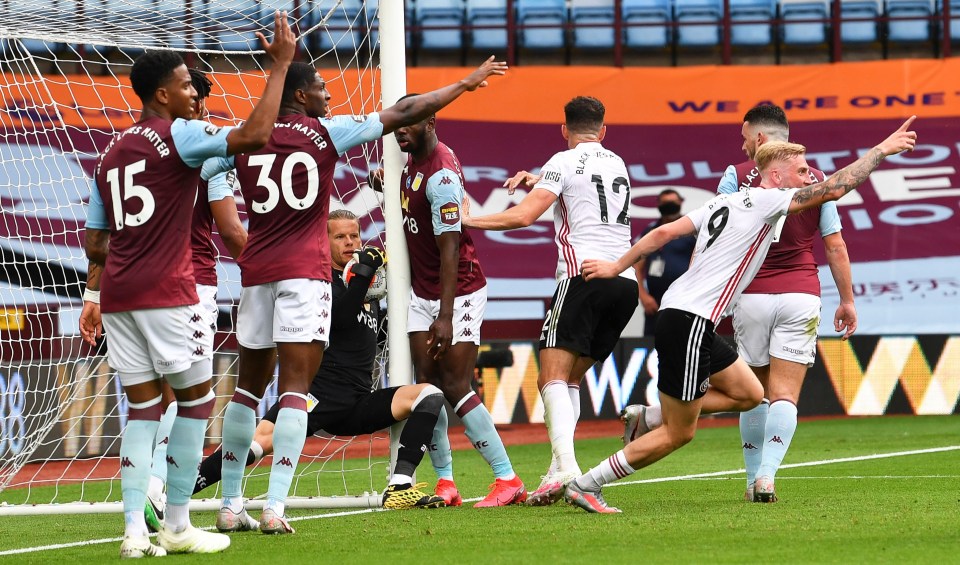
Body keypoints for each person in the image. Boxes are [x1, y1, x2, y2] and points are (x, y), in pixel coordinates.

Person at [201, 57, 509, 533]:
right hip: (302, 274)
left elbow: (203, 168)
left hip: (256, 270)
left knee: (245, 393)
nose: (329, 95)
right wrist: (467, 83)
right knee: (294, 395)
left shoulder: (245, 136)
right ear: (302, 95)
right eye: (322, 87)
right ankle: (274, 509)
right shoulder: (324, 134)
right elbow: (407, 112)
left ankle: (228, 504)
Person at [568, 118, 917, 513]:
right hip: (688, 321)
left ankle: (647, 416)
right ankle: (587, 484)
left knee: (753, 394)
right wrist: (881, 151)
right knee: (680, 433)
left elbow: (662, 234)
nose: (807, 177)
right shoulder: (771, 200)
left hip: (689, 317)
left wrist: (617, 266)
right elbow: (837, 186)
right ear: (777, 175)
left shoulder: (723, 201)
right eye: (801, 171)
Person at [78, 12, 296, 557]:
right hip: (170, 290)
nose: (191, 93)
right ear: (162, 94)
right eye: (183, 84)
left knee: (144, 409)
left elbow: (96, 241)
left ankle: (133, 530)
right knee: (197, 404)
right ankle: (176, 523)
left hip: (121, 296)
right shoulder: (181, 135)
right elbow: (256, 135)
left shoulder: (111, 151)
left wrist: (95, 294)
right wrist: (280, 66)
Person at [190, 210, 447, 510]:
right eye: (340, 236)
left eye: (354, 235)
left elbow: (369, 336)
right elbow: (339, 317)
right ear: (324, 243)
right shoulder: (321, 281)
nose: (350, 242)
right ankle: (175, 493)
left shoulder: (365, 286)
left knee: (429, 395)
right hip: (318, 396)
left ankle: (400, 485)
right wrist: (364, 274)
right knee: (259, 441)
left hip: (356, 402)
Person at [461, 96, 637, 506]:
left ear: (564, 130)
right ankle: (558, 469)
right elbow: (582, 185)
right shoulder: (618, 163)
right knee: (570, 380)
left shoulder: (561, 161)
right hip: (623, 281)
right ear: (604, 131)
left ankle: (570, 473)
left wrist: (469, 219)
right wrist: (539, 178)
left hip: (582, 277)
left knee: (551, 378)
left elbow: (523, 216)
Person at [370, 94, 527, 508]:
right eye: (398, 122)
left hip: (458, 293)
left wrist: (445, 315)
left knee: (456, 385)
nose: (400, 128)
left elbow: (451, 248)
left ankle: (506, 478)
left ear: (431, 121)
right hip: (421, 292)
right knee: (426, 388)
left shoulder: (440, 174)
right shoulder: (412, 162)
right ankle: (446, 482)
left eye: (410, 121)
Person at [718, 104, 857, 503]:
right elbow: (835, 246)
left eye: (745, 136)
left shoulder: (734, 180)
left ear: (760, 138)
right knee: (785, 395)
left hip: (751, 297)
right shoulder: (818, 182)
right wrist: (847, 300)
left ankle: (749, 480)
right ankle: (766, 478)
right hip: (800, 295)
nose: (743, 144)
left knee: (754, 393)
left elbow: (719, 241)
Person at [143, 68, 249, 533]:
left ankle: (140, 503)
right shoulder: (208, 155)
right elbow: (230, 231)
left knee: (151, 396)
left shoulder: (136, 148)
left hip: (140, 284)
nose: (202, 105)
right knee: (190, 396)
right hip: (192, 283)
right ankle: (157, 488)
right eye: (197, 96)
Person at [635, 189, 695, 336]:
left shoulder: (692, 230)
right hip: (655, 304)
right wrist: (643, 296)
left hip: (684, 301)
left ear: (681, 202)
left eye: (673, 203)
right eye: (665, 203)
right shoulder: (651, 231)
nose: (669, 206)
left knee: (682, 343)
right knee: (653, 344)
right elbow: (637, 266)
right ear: (658, 205)